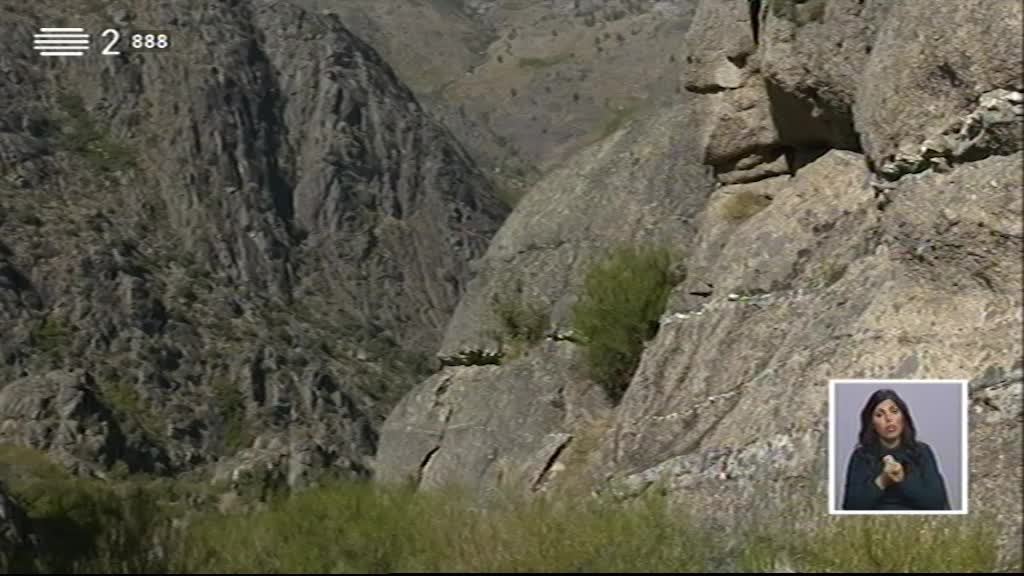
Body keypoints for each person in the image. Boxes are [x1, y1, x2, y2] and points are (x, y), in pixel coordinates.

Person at [842, 389, 951, 510]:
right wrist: (882, 480)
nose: (888, 418)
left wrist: (902, 479)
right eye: (879, 415)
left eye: (894, 411)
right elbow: (851, 506)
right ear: (872, 423)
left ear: (903, 417)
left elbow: (936, 503)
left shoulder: (922, 451)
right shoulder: (861, 455)